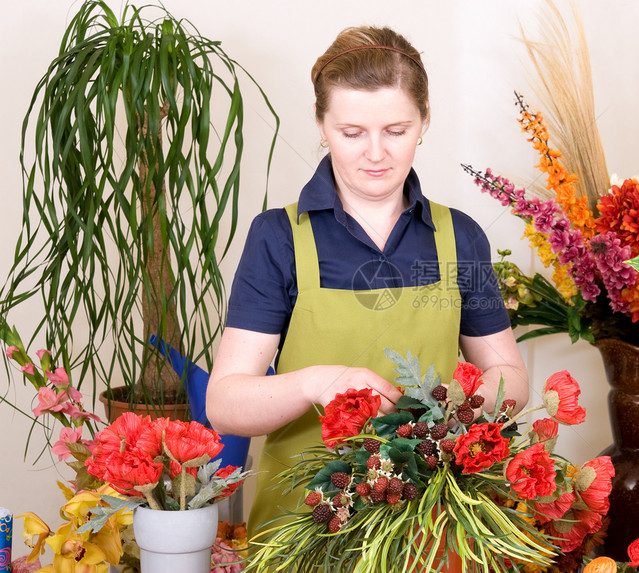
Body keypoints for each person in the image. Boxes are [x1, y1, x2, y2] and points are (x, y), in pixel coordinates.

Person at [206, 25, 529, 539]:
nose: (375, 153)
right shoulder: (280, 237)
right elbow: (225, 404)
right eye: (352, 132)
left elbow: (511, 374)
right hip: (303, 528)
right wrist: (316, 383)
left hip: (431, 520)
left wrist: (449, 401)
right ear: (321, 125)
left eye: (396, 130)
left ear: (424, 121)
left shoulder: (460, 237)